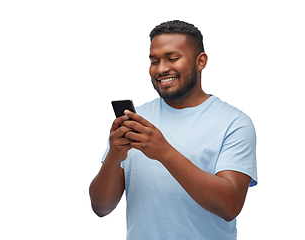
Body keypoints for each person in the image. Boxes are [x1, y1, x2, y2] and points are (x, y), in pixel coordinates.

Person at [89, 20, 257, 239]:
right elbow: (100, 207)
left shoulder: (234, 123)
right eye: (154, 60)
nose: (161, 69)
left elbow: (229, 205)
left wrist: (164, 152)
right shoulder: (137, 120)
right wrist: (113, 156)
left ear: (201, 61)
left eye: (172, 58)